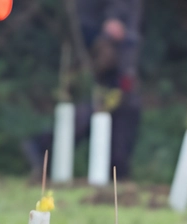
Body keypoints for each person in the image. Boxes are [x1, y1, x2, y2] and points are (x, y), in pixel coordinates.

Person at [23, 0, 143, 180]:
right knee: (88, 109)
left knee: (123, 109)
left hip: (122, 46)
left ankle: (118, 173)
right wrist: (114, 18)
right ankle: (44, 150)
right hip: (98, 38)